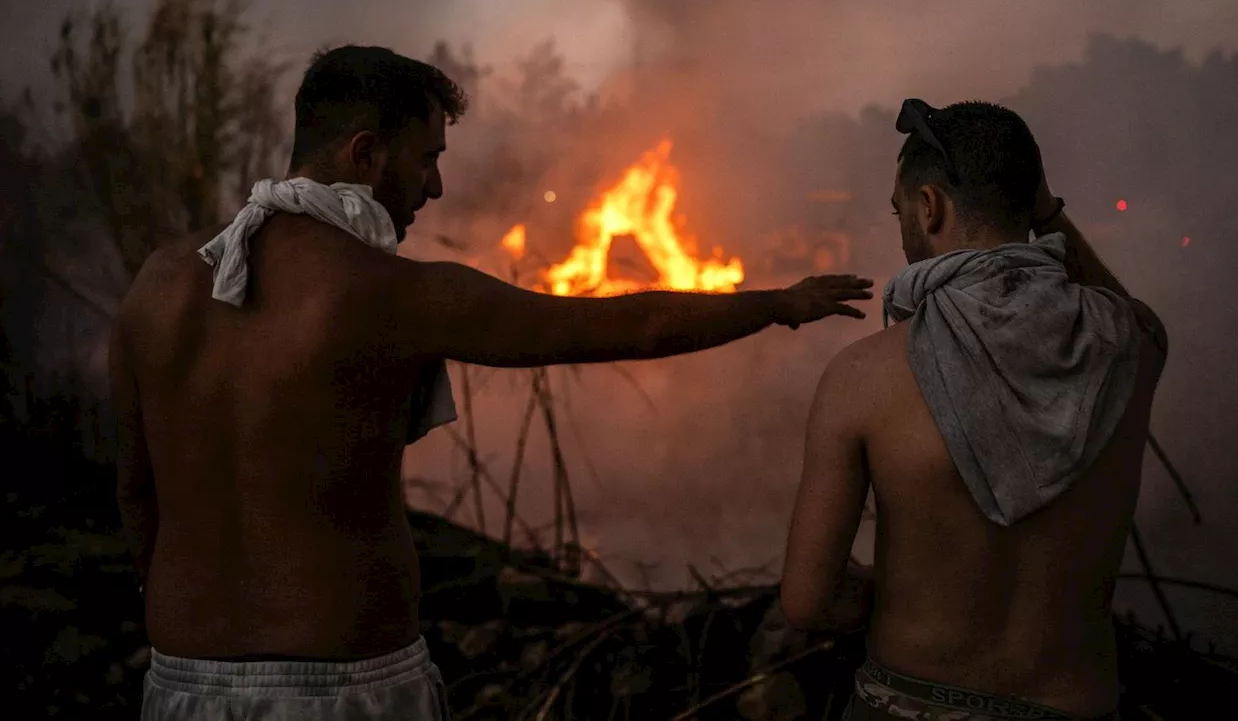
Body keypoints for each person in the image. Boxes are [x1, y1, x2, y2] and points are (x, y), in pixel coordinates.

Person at [110, 44, 875, 721]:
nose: (436, 187)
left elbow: (136, 492)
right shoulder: (385, 293)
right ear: (366, 154)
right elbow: (618, 327)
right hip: (341, 691)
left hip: (182, 685)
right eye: (426, 158)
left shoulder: (157, 287)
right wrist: (777, 305)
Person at [779, 99, 1167, 721]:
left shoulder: (861, 376)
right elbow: (1128, 313)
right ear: (1031, 201)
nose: (903, 227)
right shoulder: (1129, 349)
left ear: (929, 206)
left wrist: (902, 597)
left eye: (900, 211)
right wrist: (1042, 210)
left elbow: (807, 603)